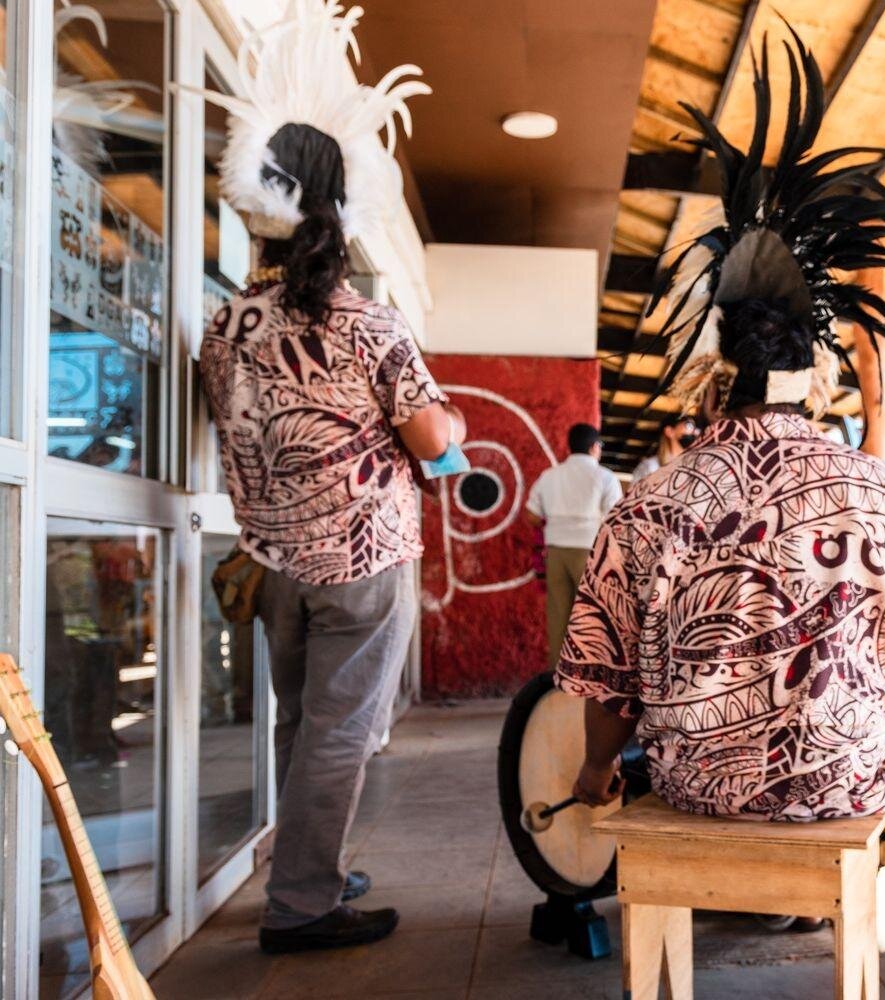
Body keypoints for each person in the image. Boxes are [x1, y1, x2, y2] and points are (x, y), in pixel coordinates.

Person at [557, 31, 885, 957]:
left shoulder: (643, 503)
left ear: (713, 375)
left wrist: (598, 773)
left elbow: (606, 683)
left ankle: (778, 897)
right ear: (812, 380)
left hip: (696, 781)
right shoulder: (883, 494)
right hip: (849, 769)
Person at [196, 0, 445, 955]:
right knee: (341, 732)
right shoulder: (367, 323)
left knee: (301, 725)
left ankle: (307, 869)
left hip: (270, 562)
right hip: (360, 560)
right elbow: (430, 436)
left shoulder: (224, 326)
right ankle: (301, 905)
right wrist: (452, 424)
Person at [526, 423, 623, 665]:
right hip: (591, 552)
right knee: (593, 615)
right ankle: (590, 671)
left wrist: (557, 521)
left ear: (569, 447)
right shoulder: (605, 477)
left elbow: (532, 515)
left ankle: (558, 675)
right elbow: (615, 520)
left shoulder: (549, 476)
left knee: (559, 615)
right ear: (594, 447)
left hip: (556, 552)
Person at [630, 415, 697, 480]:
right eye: (688, 426)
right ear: (669, 431)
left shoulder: (693, 467)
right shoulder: (650, 466)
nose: (693, 432)